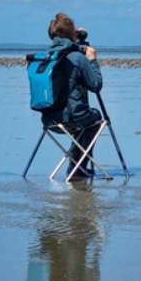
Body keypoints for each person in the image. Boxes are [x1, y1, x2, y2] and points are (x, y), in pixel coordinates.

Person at [42, 12, 104, 180]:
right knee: (95, 118)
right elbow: (96, 85)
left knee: (79, 114)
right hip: (71, 120)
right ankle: (78, 168)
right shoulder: (77, 57)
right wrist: (92, 60)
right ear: (70, 33)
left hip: (48, 120)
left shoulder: (46, 58)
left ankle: (75, 164)